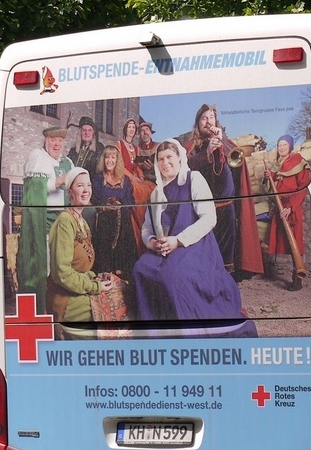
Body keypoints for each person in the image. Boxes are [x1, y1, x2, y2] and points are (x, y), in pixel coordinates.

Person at [131, 139, 256, 335]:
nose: (165, 163)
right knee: (141, 268)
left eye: (169, 157)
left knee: (174, 276)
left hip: (195, 246)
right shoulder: (156, 193)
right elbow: (147, 227)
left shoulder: (193, 179)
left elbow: (209, 218)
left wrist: (177, 240)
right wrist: (152, 242)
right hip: (165, 248)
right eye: (161, 159)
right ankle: (156, 331)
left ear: (179, 157)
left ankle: (186, 334)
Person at [184, 103, 265, 278]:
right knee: (205, 245)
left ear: (216, 121)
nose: (208, 121)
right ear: (198, 123)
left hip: (226, 204)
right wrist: (207, 151)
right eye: (204, 118)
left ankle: (226, 281)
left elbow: (237, 165)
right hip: (204, 207)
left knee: (227, 245)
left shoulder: (226, 142)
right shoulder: (191, 146)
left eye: (211, 117)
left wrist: (221, 145)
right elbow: (187, 166)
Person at [46, 168, 112, 330]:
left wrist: (95, 277)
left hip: (78, 290)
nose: (86, 190)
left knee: (118, 294)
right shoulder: (65, 221)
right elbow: (62, 273)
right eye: (80, 186)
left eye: (88, 185)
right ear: (70, 192)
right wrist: (95, 287)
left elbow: (80, 267)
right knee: (111, 313)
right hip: (66, 301)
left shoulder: (82, 222)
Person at [21, 124, 74, 312]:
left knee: (62, 266)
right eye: (53, 140)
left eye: (60, 140)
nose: (57, 144)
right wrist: (58, 182)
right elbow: (33, 189)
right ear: (46, 140)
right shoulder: (37, 158)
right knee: (44, 268)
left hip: (63, 222)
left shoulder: (68, 162)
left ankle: (60, 310)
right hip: (42, 222)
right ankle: (41, 310)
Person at [265, 134, 311, 290]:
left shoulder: (298, 160)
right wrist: (270, 176)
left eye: (284, 144)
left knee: (296, 242)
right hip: (279, 206)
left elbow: (302, 188)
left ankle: (297, 277)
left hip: (292, 206)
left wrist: (290, 207)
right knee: (284, 240)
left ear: (290, 146)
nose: (281, 147)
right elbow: (280, 181)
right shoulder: (279, 164)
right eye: (279, 145)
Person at [91, 145, 139, 282]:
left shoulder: (126, 180)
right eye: (107, 157)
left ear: (117, 160)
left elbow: (130, 202)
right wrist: (107, 206)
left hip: (124, 229)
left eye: (113, 157)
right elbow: (96, 200)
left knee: (125, 269)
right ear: (103, 159)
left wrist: (119, 205)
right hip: (104, 227)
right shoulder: (98, 179)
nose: (110, 160)